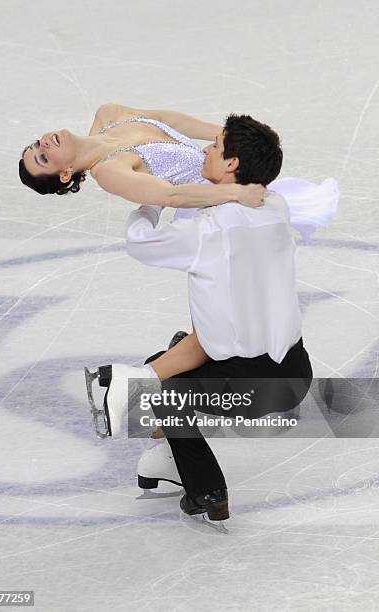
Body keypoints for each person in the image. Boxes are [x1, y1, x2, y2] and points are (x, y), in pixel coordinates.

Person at [19, 104, 337, 405]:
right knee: (226, 310)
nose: (44, 144)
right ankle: (169, 402)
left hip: (225, 170)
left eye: (37, 145)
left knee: (245, 303)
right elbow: (170, 195)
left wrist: (231, 139)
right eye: (43, 158)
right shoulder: (109, 171)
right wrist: (235, 192)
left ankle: (178, 379)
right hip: (211, 203)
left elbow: (166, 119)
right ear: (65, 174)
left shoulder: (109, 114)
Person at [88, 114, 315, 523]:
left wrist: (153, 198)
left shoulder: (208, 232)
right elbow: (233, 207)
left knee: (159, 390)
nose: (205, 149)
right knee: (177, 347)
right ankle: (167, 455)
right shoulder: (274, 205)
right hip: (297, 372)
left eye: (216, 145)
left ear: (232, 164)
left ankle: (207, 491)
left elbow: (141, 244)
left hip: (253, 386)